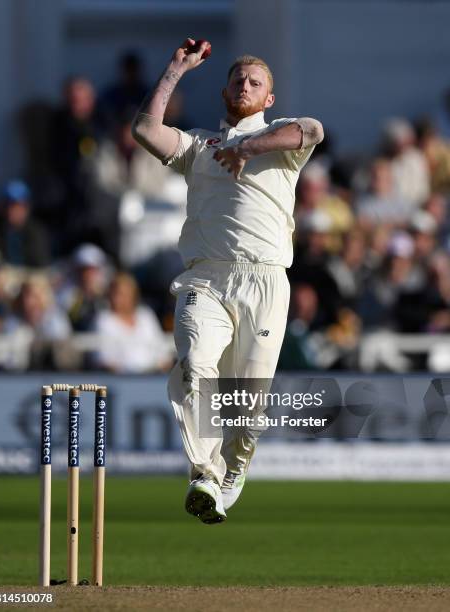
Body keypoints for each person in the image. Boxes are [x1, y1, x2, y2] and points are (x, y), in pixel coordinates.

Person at [131, 39, 324, 524]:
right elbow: (145, 130)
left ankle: (233, 470)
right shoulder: (199, 145)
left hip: (265, 281)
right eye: (238, 80)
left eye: (255, 83)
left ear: (268, 99)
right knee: (195, 363)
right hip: (206, 278)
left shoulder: (280, 138)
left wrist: (247, 147)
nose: (245, 86)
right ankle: (204, 474)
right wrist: (175, 70)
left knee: (247, 406)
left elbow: (313, 130)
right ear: (224, 90)